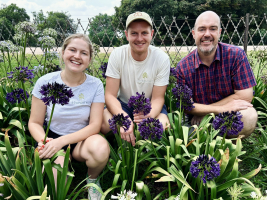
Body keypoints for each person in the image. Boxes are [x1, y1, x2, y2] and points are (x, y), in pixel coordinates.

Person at [28, 33, 109, 200]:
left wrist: (64, 141)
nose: (77, 56)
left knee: (100, 147)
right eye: (72, 50)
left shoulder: (95, 85)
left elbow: (95, 125)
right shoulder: (45, 82)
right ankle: (64, 163)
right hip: (51, 138)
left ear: (89, 59)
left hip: (82, 140)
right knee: (54, 188)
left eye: (84, 53)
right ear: (63, 52)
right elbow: (34, 122)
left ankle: (92, 180)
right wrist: (45, 142)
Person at [176, 11, 258, 138]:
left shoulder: (236, 55)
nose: (207, 34)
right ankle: (200, 147)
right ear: (194, 34)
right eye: (202, 29)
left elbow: (245, 96)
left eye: (212, 29)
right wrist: (219, 109)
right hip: (196, 122)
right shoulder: (183, 67)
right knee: (176, 125)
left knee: (249, 115)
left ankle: (231, 148)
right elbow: (186, 105)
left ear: (219, 32)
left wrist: (209, 112)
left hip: (222, 116)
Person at [100, 11, 171, 145]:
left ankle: (146, 151)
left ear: (152, 34)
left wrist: (149, 115)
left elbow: (158, 98)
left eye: (144, 33)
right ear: (127, 35)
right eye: (134, 33)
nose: (139, 38)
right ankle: (119, 147)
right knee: (105, 123)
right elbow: (109, 95)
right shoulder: (117, 55)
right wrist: (123, 118)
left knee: (163, 125)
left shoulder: (161, 58)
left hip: (149, 105)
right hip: (123, 104)